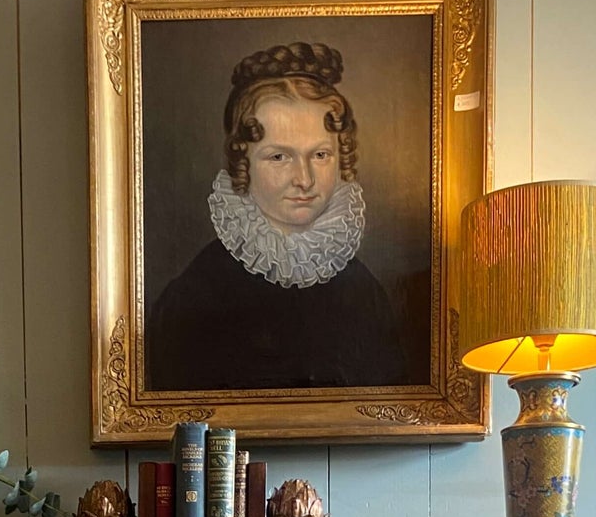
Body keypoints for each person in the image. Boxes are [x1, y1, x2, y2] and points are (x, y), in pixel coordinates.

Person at [147, 42, 408, 392]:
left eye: (320, 154)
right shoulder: (197, 295)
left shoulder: (364, 292)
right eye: (279, 157)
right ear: (244, 163)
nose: (304, 179)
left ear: (341, 157)